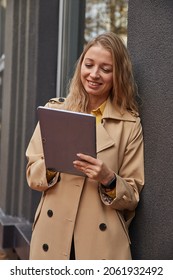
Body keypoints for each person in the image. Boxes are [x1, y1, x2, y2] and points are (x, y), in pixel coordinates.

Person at [26, 32, 144, 260]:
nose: (94, 74)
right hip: (51, 236)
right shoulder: (55, 113)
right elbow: (32, 175)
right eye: (88, 65)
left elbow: (133, 194)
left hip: (100, 245)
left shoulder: (129, 125)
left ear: (118, 75)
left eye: (106, 69)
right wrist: (53, 163)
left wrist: (108, 178)